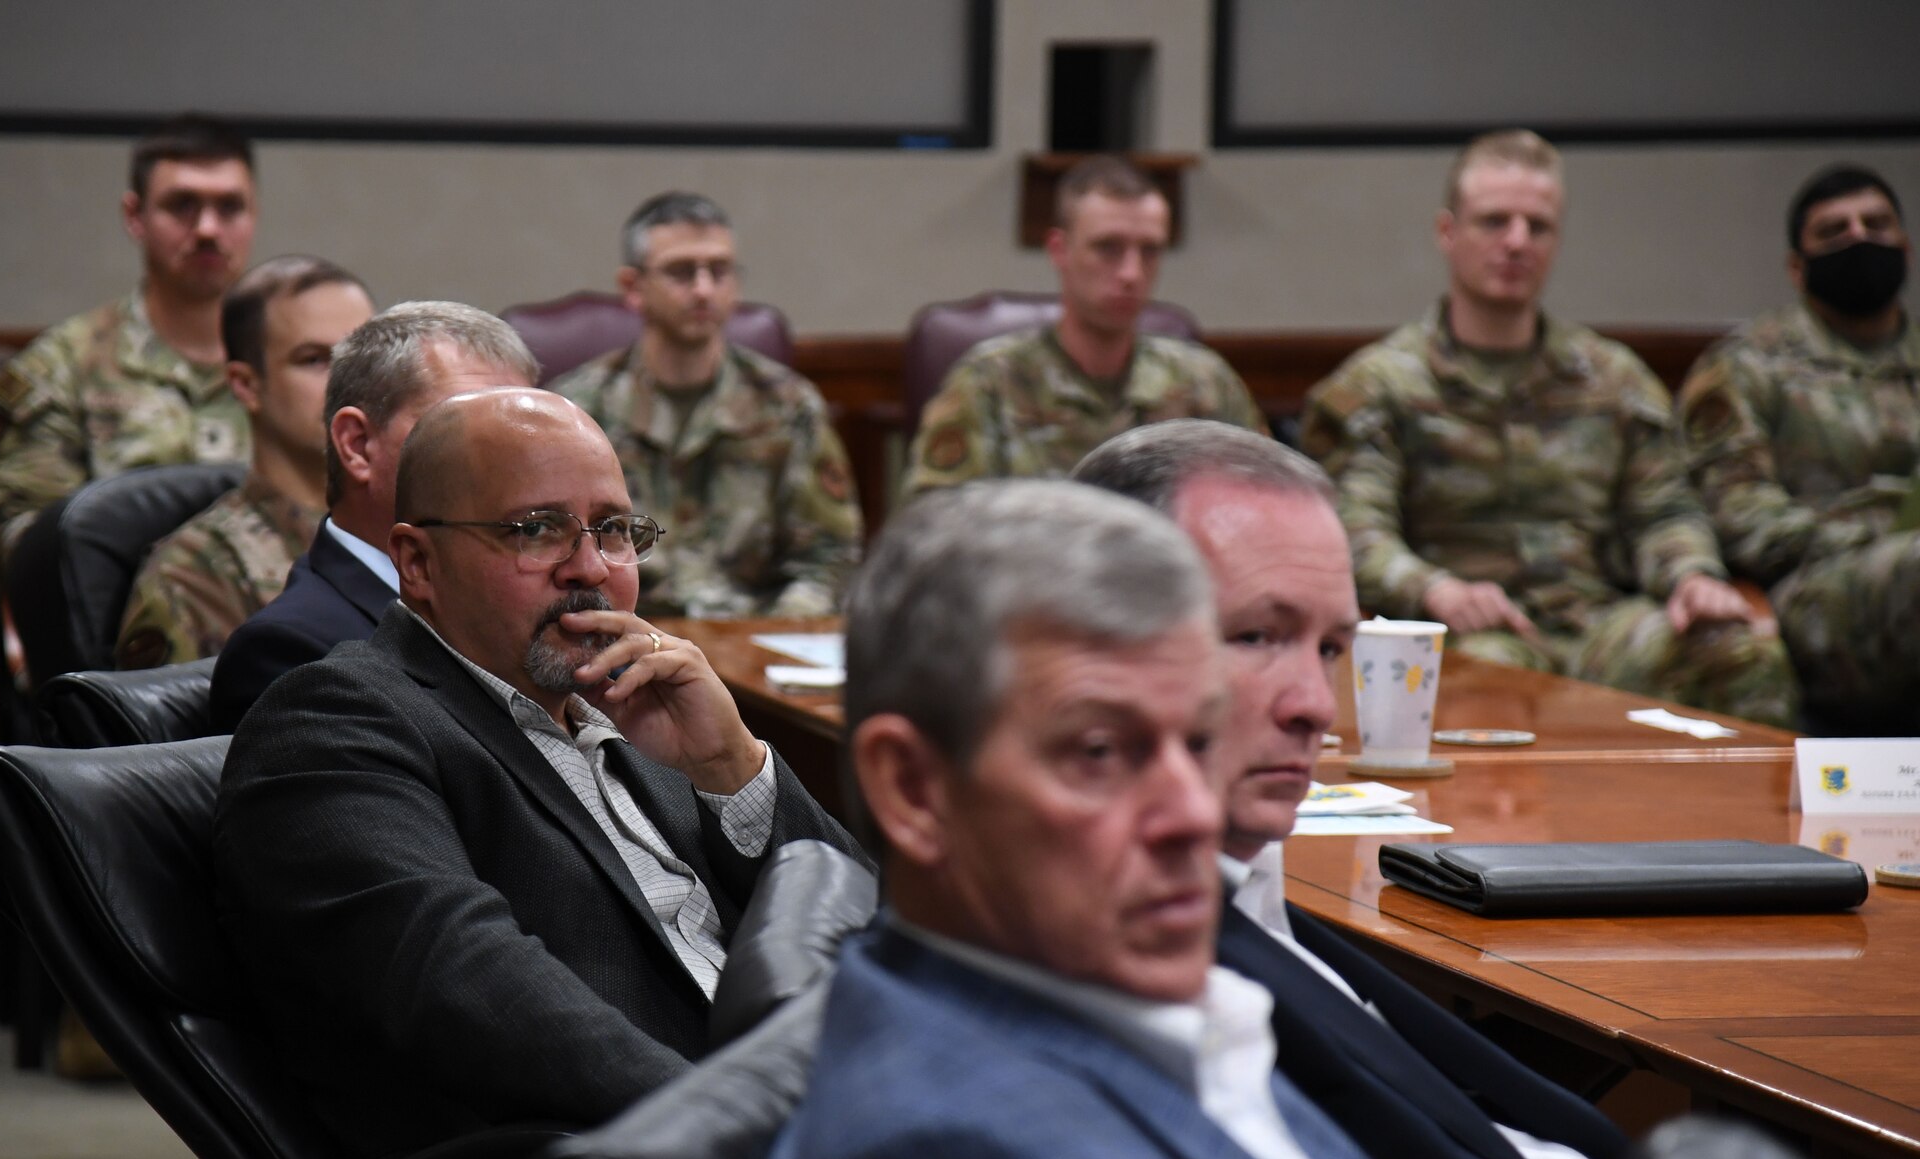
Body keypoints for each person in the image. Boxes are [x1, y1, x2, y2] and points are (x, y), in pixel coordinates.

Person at [772, 478, 1607, 1159]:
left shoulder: (1151, 1014)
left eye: (1197, 742)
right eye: (1100, 751)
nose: (1190, 815)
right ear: (914, 789)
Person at [1075, 420, 1627, 1159]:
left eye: (1329, 646)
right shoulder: (1119, 971)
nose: (1314, 705)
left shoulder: (1243, 886)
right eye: (1255, 636)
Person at [216, 386, 860, 1159]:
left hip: (817, 1121)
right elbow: (475, 992)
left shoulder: (637, 711)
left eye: (614, 530)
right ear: (417, 563)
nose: (589, 566)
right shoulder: (338, 720)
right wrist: (754, 1135)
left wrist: (733, 766)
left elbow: (862, 924)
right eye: (538, 530)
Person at [1301, 129, 1797, 728]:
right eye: (1494, 222)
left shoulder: (1613, 379)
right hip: (1465, 628)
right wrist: (1436, 591)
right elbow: (1355, 532)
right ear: (1447, 233)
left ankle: (1755, 826)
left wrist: (1692, 576)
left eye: (1538, 227)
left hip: (1597, 628)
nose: (1517, 242)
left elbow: (1663, 513)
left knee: (1744, 655)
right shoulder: (1381, 385)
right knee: (1485, 678)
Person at [207, 301, 537, 730]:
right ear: (358, 445)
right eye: (462, 429)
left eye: (522, 433)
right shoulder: (293, 651)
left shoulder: (530, 602)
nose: (513, 464)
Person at [1679, 164, 1920, 732]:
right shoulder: (1747, 365)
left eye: (1877, 224)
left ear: (1906, 248)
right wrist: (1878, 535)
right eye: (1835, 232)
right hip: (1809, 597)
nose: (1860, 238)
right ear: (1796, 266)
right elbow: (1739, 519)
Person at [0, 114, 257, 580]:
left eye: (229, 207)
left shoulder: (297, 367)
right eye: (182, 205)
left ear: (253, 216)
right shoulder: (59, 370)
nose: (207, 228)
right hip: (119, 636)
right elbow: (24, 547)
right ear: (134, 216)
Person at [549, 191, 861, 617]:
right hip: (622, 637)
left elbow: (829, 556)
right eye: (681, 272)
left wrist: (770, 639)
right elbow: (558, 549)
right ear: (633, 287)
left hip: (753, 639)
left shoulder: (787, 405)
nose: (703, 289)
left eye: (719, 271)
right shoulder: (578, 409)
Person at [905, 156, 1264, 496]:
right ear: (1060, 249)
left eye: (1150, 251)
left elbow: (1269, 507)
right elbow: (933, 534)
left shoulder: (1205, 384)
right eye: (1108, 248)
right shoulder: (989, 385)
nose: (1131, 274)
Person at [114, 256, 373, 668]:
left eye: (363, 357)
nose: (350, 381)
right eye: (314, 360)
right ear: (246, 385)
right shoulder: (195, 575)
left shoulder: (399, 534)